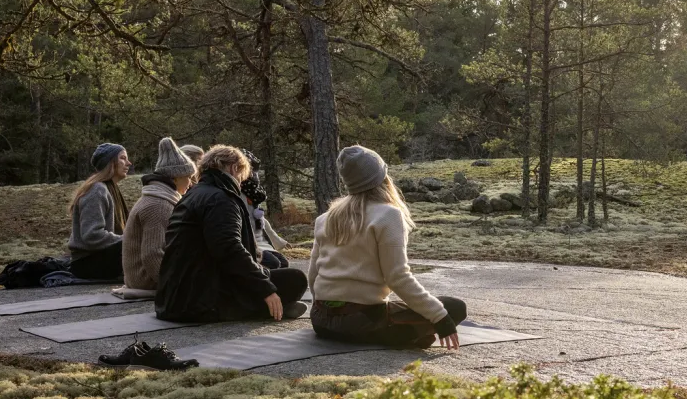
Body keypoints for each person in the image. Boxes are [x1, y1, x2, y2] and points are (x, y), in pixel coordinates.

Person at [309, 145, 466, 350]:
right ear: (382, 178)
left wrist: (327, 308)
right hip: (362, 323)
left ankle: (404, 335)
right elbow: (398, 277)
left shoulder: (325, 218)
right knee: (454, 307)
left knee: (417, 310)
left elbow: (313, 275)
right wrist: (440, 317)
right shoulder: (387, 215)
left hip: (321, 321)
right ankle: (402, 336)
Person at [155, 145, 308, 322]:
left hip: (173, 298)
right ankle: (266, 308)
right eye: (242, 175)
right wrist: (265, 288)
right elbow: (228, 249)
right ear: (235, 168)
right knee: (295, 279)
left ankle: (274, 306)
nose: (242, 181)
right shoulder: (221, 199)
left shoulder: (192, 195)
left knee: (269, 270)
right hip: (201, 302)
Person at [117, 138, 197, 296]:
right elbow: (152, 255)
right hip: (146, 280)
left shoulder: (159, 199)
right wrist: (175, 286)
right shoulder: (158, 206)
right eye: (188, 176)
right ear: (175, 178)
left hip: (143, 278)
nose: (190, 182)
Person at [67, 143, 132, 280]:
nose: (128, 163)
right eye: (123, 158)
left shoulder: (110, 189)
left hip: (100, 256)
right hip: (88, 262)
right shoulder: (97, 190)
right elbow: (92, 235)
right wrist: (128, 240)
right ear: (110, 162)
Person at [239, 149, 290, 270]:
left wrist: (279, 242)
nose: (254, 174)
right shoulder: (236, 195)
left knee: (283, 263)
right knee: (273, 264)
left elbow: (262, 222)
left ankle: (272, 286)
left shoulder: (254, 195)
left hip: (263, 244)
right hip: (249, 245)